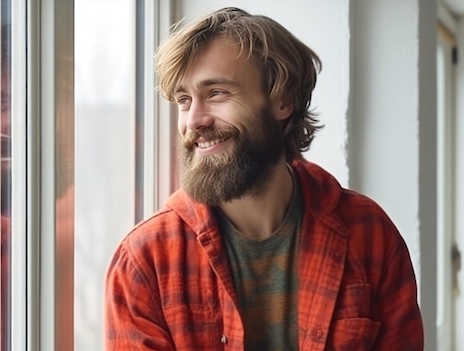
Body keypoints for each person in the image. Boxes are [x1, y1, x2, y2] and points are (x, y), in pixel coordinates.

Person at [103, 6, 424, 351]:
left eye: (216, 93)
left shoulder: (370, 234)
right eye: (184, 100)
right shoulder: (145, 260)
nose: (193, 120)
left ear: (282, 99)